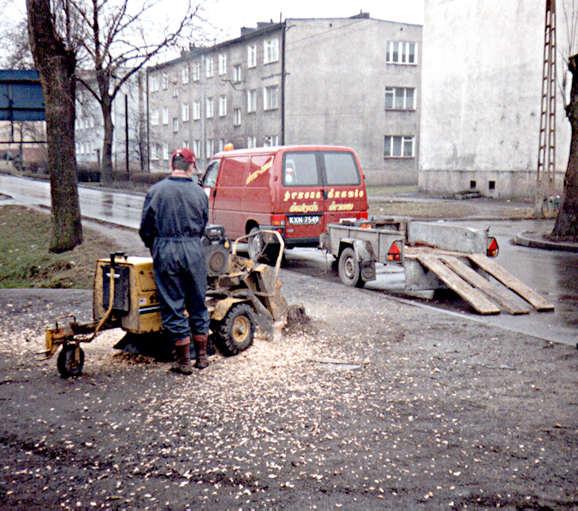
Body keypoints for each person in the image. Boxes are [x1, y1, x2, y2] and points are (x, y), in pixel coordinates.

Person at [139, 148, 210, 374]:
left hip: (166, 249)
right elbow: (203, 224)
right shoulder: (200, 193)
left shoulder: (156, 191)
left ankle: (183, 361)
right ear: (192, 166)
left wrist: (156, 247)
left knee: (173, 304)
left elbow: (146, 229)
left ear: (172, 165)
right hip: (193, 249)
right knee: (198, 302)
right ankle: (202, 357)